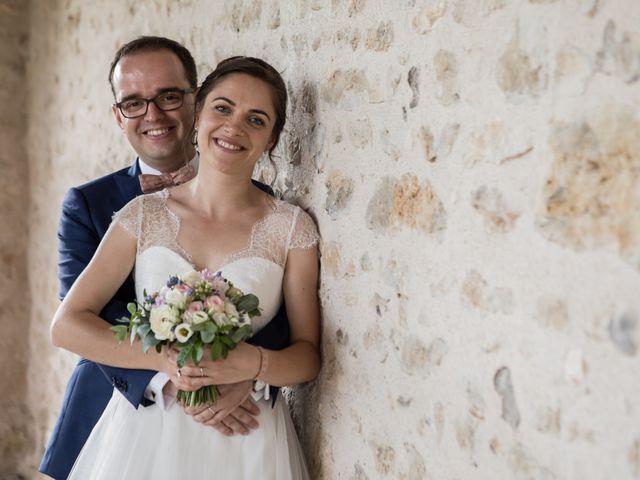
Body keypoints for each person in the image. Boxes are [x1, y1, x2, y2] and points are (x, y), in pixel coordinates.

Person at [51, 56, 320, 478]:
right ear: (198, 115)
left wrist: (251, 368)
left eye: (256, 119)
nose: (234, 127)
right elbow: (67, 324)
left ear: (271, 139)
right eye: (223, 108)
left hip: (246, 432)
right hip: (145, 427)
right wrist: (169, 365)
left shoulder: (291, 227)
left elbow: (308, 354)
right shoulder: (141, 215)